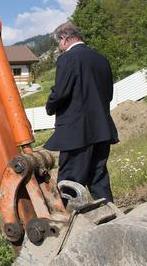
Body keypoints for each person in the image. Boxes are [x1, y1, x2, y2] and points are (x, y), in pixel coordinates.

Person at [44, 22, 119, 203]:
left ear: (64, 39)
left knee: (70, 181)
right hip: (102, 130)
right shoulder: (101, 59)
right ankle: (112, 218)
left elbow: (61, 92)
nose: (60, 49)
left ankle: (68, 224)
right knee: (98, 179)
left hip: (77, 133)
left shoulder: (67, 59)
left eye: (58, 44)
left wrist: (50, 106)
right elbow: (108, 94)